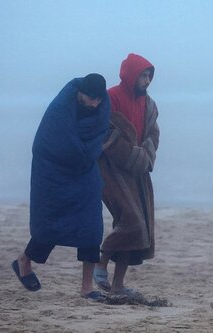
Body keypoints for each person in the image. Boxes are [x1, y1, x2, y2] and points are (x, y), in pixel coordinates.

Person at [12, 73, 110, 301]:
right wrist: (74, 154)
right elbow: (48, 141)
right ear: (79, 93)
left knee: (91, 227)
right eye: (90, 98)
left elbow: (98, 135)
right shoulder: (60, 107)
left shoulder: (103, 106)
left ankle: (87, 287)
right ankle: (24, 261)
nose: (94, 104)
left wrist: (86, 154)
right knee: (50, 223)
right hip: (53, 171)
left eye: (98, 99)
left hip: (84, 170)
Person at [93, 53, 160, 296]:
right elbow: (105, 134)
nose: (147, 80)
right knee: (131, 220)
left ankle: (118, 285)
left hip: (139, 169)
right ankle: (101, 262)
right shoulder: (111, 98)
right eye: (143, 75)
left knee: (139, 230)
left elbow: (153, 134)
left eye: (149, 76)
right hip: (111, 168)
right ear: (131, 74)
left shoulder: (150, 105)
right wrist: (129, 154)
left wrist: (143, 157)